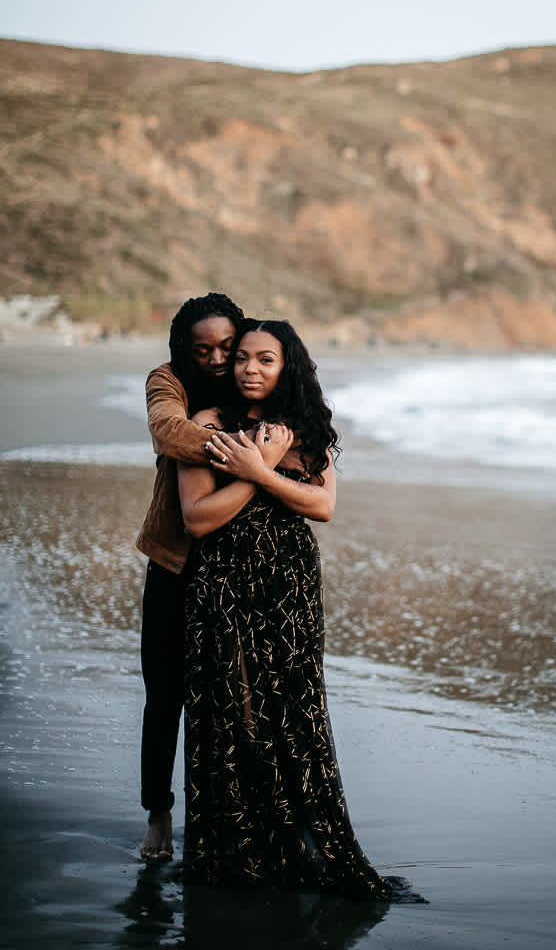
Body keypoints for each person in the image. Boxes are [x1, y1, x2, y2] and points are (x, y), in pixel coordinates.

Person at [177, 319, 412, 899]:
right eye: (242, 358)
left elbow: (324, 505)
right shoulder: (207, 426)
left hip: (290, 585)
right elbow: (198, 518)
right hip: (222, 583)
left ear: (288, 368)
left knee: (294, 709)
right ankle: (237, 849)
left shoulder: (308, 430)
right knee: (231, 710)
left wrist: (260, 470)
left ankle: (299, 841)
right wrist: (258, 473)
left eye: (266, 359)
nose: (249, 369)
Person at [136, 292, 245, 863]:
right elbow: (167, 432)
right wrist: (249, 454)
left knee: (234, 697)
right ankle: (159, 814)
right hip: (174, 561)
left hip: (239, 566)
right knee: (165, 693)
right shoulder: (168, 380)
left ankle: (230, 816)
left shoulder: (255, 375)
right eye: (204, 350)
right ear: (185, 349)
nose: (219, 359)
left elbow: (304, 434)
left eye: (228, 346)